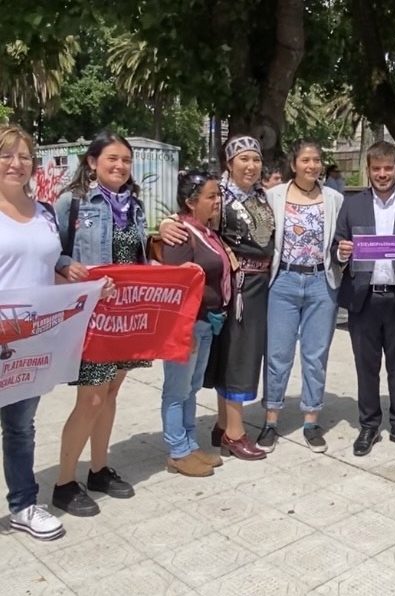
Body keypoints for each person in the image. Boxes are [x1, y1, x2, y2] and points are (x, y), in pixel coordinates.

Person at [53, 131, 149, 517]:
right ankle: (63, 482)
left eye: (126, 160)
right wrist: (67, 268)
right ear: (92, 162)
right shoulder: (71, 202)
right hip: (91, 317)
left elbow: (138, 256)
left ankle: (98, 469)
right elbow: (53, 252)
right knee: (91, 397)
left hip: (127, 318)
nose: (120, 166)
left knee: (110, 394)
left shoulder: (135, 206)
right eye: (112, 158)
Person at [160, 135, 272, 461]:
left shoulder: (263, 196)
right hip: (236, 289)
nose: (251, 166)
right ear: (229, 163)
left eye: (256, 159)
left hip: (254, 287)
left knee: (232, 359)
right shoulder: (219, 195)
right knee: (237, 357)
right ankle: (231, 433)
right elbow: (186, 217)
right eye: (243, 160)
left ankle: (221, 427)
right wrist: (165, 223)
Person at [0, 125, 75, 539]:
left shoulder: (44, 211)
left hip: (30, 342)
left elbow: (50, 260)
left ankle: (24, 506)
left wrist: (73, 274)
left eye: (25, 155)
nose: (17, 163)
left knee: (20, 427)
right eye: (7, 155)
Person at [333, 141, 395, 456]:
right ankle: (369, 426)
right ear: (369, 171)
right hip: (364, 298)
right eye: (377, 169)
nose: (383, 174)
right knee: (366, 367)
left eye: (388, 168)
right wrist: (342, 251)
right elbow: (338, 244)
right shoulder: (352, 205)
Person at [257, 140, 344, 454]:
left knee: (315, 355)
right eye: (305, 160)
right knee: (278, 354)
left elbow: (342, 239)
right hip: (284, 282)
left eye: (316, 160)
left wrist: (343, 254)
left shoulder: (334, 198)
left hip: (322, 281)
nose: (312, 166)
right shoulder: (272, 196)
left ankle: (311, 419)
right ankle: (271, 419)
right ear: (293, 164)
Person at [160, 171, 231, 477]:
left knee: (191, 387)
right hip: (187, 324)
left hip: (205, 322)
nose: (218, 201)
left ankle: (189, 443)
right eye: (211, 196)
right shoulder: (180, 234)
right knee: (177, 389)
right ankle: (177, 450)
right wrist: (182, 330)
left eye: (219, 195)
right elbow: (177, 286)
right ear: (191, 202)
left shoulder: (205, 230)